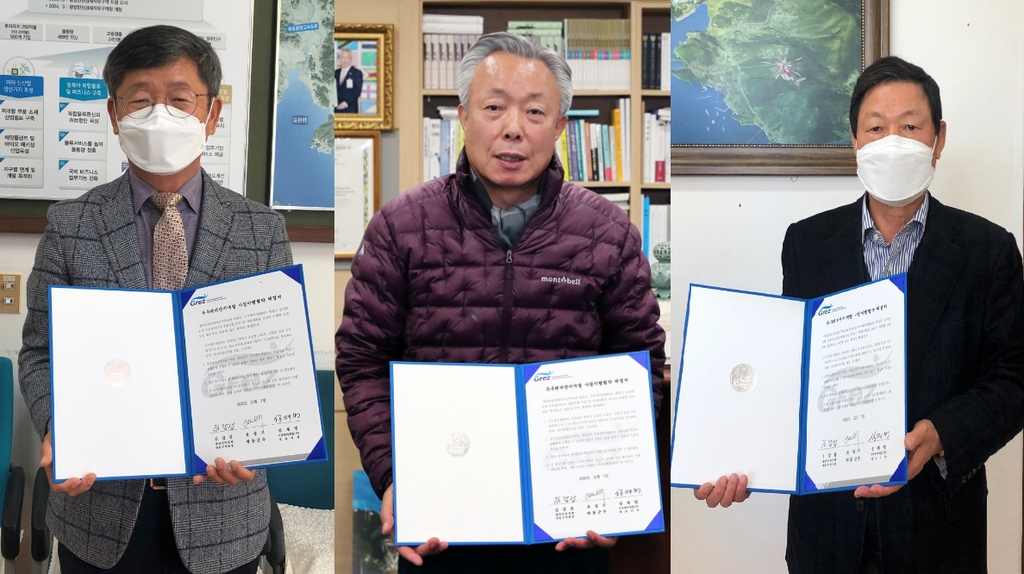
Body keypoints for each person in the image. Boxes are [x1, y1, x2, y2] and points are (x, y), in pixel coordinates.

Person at [336, 32, 665, 573]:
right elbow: (362, 359)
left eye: (535, 111)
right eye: (494, 108)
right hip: (443, 522)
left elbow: (640, 364)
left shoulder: (608, 232)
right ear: (464, 116)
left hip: (566, 527)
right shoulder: (402, 225)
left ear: (560, 127)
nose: (513, 128)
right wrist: (394, 475)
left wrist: (613, 483)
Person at [695, 56, 1024, 572]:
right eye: (875, 128)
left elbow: (1014, 376)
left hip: (938, 531)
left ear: (938, 139)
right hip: (826, 532)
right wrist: (741, 456)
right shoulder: (806, 243)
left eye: (910, 127)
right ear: (854, 142)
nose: (892, 142)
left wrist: (941, 433)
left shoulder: (989, 250)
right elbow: (787, 372)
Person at [18, 25, 291, 574]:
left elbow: (276, 359)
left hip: (224, 510)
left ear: (212, 115)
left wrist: (260, 440)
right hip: (99, 510)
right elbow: (39, 351)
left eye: (180, 99)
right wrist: (57, 425)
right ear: (114, 115)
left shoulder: (262, 230)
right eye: (140, 100)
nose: (159, 115)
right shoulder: (71, 226)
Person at [335, 48, 363, 113]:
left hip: (350, 110)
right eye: (342, 57)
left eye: (347, 57)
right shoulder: (335, 73)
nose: (344, 60)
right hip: (336, 110)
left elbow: (357, 92)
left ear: (351, 59)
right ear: (339, 59)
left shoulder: (357, 73)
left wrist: (346, 103)